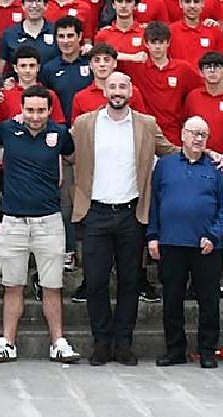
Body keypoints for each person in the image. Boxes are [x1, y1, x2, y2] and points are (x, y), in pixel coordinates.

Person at [70, 71, 177, 366]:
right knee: (95, 282)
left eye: (123, 86)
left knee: (130, 282)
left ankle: (124, 343)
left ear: (131, 90)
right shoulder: (84, 123)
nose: (117, 91)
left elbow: (170, 151)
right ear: (104, 89)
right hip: (96, 213)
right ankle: (102, 342)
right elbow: (63, 149)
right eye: (112, 86)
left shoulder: (146, 124)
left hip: (132, 214)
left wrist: (207, 152)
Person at [0, 86, 81, 364]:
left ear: (50, 110)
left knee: (52, 285)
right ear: (21, 109)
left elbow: (71, 155)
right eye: (30, 110)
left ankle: (58, 342)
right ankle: (7, 343)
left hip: (49, 222)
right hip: (13, 222)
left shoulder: (60, 134)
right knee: (12, 285)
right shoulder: (7, 130)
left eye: (41, 110)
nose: (35, 116)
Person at [148, 116, 223, 367]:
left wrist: (214, 235)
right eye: (193, 133)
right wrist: (153, 235)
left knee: (209, 301)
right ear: (182, 135)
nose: (198, 138)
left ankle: (207, 351)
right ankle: (175, 350)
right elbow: (154, 201)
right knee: (172, 299)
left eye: (203, 135)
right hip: (172, 243)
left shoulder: (216, 168)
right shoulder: (165, 165)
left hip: (206, 245)